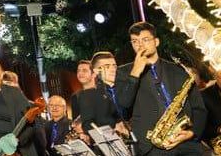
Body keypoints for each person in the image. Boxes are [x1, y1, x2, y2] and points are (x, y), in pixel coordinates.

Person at [115, 22, 206, 156]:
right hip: (152, 148)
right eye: (135, 41)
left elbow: (199, 109)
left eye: (145, 40)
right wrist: (135, 73)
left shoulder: (177, 70)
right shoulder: (123, 72)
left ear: (156, 42)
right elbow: (123, 105)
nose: (140, 45)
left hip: (187, 144)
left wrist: (192, 133)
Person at [76, 52, 130, 141]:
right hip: (111, 141)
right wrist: (114, 126)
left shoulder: (124, 85)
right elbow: (87, 124)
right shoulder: (85, 95)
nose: (113, 70)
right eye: (107, 66)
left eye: (114, 66)